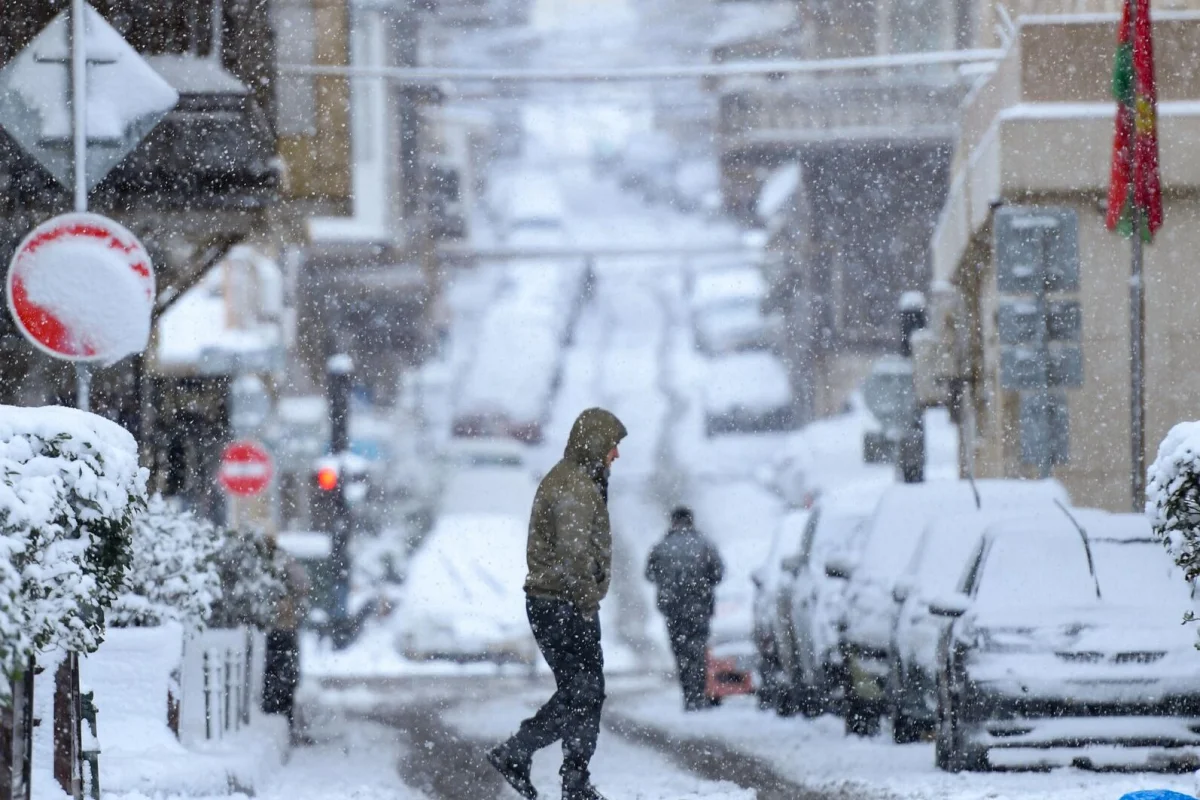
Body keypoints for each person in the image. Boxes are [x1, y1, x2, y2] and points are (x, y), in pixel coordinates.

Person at [488, 408, 627, 800]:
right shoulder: (573, 486)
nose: (616, 455)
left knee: (583, 691)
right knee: (583, 691)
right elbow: (574, 554)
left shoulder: (578, 480)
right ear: (596, 444)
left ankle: (566, 775)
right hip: (562, 604)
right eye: (613, 446)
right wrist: (586, 601)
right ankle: (529, 758)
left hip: (560, 602)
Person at [645, 507, 724, 711]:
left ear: (673, 522)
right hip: (699, 607)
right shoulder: (704, 544)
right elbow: (717, 573)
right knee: (698, 650)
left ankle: (689, 695)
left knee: (681, 652)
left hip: (673, 609)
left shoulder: (662, 546)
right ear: (691, 521)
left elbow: (649, 574)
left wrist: (670, 584)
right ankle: (700, 693)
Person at [261, 534, 311, 746]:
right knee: (286, 676)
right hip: (286, 627)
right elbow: (304, 584)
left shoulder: (258, 565)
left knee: (271, 674)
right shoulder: (285, 561)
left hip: (269, 628)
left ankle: (276, 712)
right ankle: (285, 717)